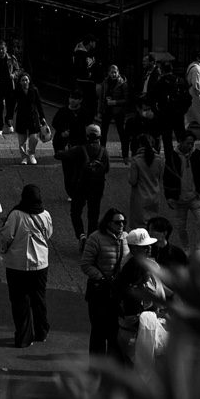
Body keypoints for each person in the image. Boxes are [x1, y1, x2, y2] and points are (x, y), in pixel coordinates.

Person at [0, 184, 53, 349]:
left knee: (19, 301)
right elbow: (49, 234)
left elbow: (7, 235)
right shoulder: (45, 214)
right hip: (40, 263)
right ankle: (41, 331)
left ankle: (24, 337)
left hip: (18, 263)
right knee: (39, 298)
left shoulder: (16, 214)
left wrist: (6, 248)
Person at [80, 208, 128, 356]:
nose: (121, 225)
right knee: (99, 333)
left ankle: (111, 371)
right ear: (108, 223)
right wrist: (101, 278)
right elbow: (86, 264)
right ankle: (96, 370)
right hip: (99, 293)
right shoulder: (95, 238)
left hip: (117, 293)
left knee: (115, 333)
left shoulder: (126, 237)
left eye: (123, 222)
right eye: (117, 222)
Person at [113, 228, 165, 366]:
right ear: (134, 248)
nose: (149, 248)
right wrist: (158, 321)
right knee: (138, 375)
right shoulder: (133, 268)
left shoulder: (140, 264)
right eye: (144, 246)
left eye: (149, 245)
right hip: (134, 336)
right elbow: (132, 316)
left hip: (138, 334)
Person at [163, 130, 200, 255]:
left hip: (195, 197)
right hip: (179, 198)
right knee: (181, 225)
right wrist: (169, 196)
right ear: (180, 142)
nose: (190, 146)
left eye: (192, 143)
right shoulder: (172, 156)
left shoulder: (198, 154)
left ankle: (198, 248)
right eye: (188, 143)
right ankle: (186, 248)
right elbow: (167, 177)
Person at [69, 123, 110, 249]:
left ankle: (81, 234)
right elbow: (107, 169)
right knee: (93, 215)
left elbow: (59, 155)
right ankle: (91, 243)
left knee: (75, 212)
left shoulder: (80, 149)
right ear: (100, 136)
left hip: (81, 185)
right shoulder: (104, 151)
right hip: (97, 186)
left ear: (87, 135)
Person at [51, 89, 89, 198]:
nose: (72, 100)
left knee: (80, 169)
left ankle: (79, 190)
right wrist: (62, 132)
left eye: (75, 99)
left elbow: (87, 127)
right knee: (68, 170)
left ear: (80, 100)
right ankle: (71, 193)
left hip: (79, 144)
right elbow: (55, 123)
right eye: (71, 98)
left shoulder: (84, 112)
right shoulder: (62, 111)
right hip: (65, 144)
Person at [127, 134, 165, 230]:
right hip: (154, 195)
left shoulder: (136, 160)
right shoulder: (159, 160)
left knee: (139, 226)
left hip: (140, 196)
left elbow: (133, 181)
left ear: (139, 144)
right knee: (152, 225)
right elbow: (161, 177)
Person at [12, 71, 47, 166]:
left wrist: (42, 117)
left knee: (34, 137)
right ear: (19, 82)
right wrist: (9, 118)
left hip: (32, 116)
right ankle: (24, 157)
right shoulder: (17, 91)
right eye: (22, 80)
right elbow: (12, 104)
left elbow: (39, 104)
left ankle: (31, 153)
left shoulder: (34, 90)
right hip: (21, 116)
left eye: (26, 80)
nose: (24, 82)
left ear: (29, 81)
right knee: (21, 139)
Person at [98, 64, 131, 161]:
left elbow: (127, 99)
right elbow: (102, 98)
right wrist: (100, 111)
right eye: (112, 72)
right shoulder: (105, 82)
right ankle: (102, 153)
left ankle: (125, 154)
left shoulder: (122, 83)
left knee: (122, 133)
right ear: (108, 73)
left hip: (118, 111)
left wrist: (115, 102)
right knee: (103, 133)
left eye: (115, 72)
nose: (113, 74)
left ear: (118, 72)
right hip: (107, 110)